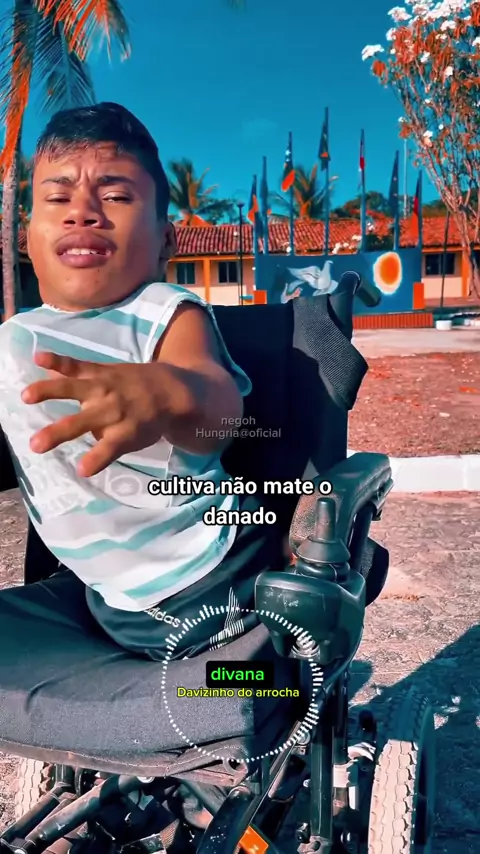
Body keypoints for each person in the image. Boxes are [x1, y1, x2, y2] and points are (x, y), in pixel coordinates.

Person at [0, 102, 285, 661]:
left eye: (115, 196)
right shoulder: (14, 337)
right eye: (57, 198)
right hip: (104, 589)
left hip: (205, 568)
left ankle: (292, 657)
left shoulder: (163, 311)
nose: (83, 212)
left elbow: (218, 403)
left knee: (235, 686)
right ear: (26, 238)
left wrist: (166, 390)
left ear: (165, 242)